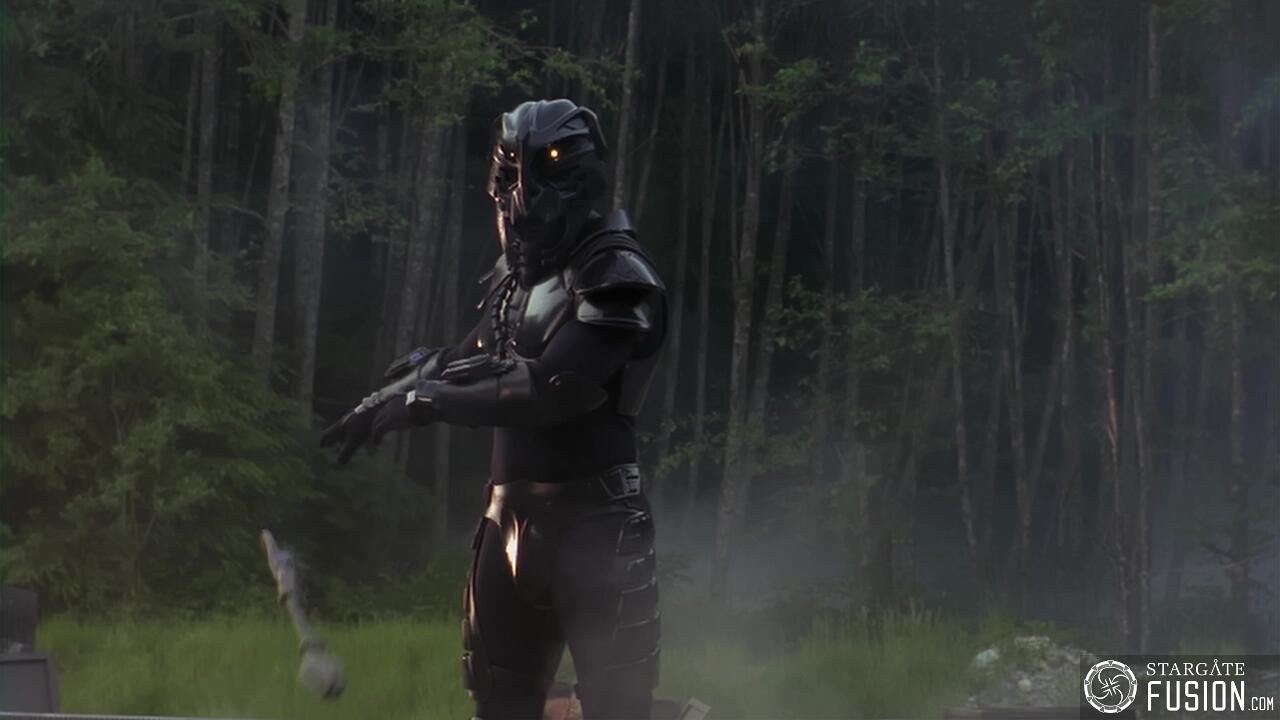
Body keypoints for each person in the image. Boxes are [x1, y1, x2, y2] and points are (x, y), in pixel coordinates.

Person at [321, 98, 666, 720]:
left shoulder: (615, 273)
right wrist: (384, 398)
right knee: (499, 701)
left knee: (617, 706)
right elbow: (468, 358)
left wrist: (425, 401)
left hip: (596, 527)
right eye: (509, 178)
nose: (521, 202)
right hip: (509, 522)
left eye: (540, 176)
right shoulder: (515, 281)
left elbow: (552, 388)